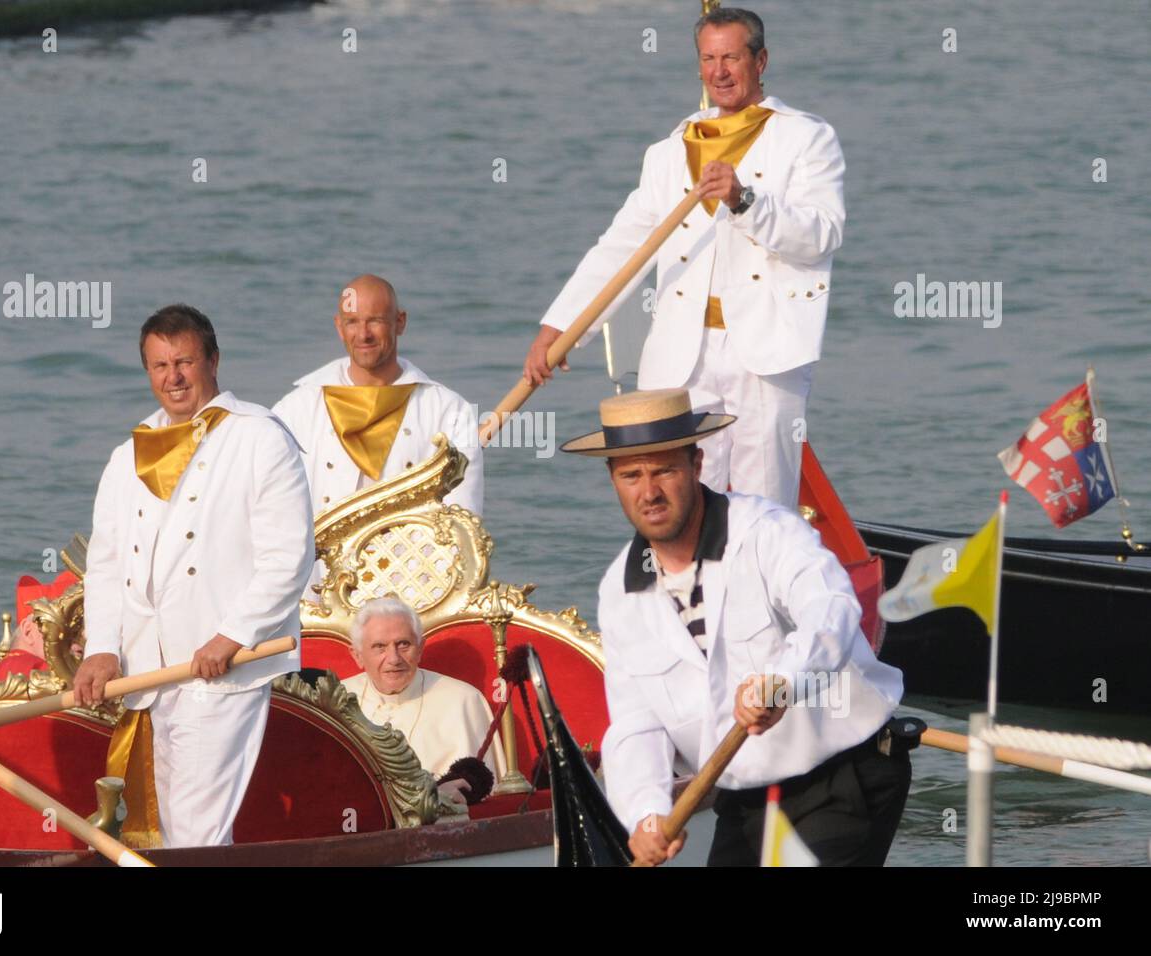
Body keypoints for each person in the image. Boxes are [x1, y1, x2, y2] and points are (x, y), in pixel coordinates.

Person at [562, 388, 908, 866]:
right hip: (743, 800)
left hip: (842, 776)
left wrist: (782, 683)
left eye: (664, 470)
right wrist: (645, 813)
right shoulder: (619, 593)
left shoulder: (767, 531)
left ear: (696, 464)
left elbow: (830, 606)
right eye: (631, 475)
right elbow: (636, 725)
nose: (649, 492)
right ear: (613, 480)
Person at [526, 8, 845, 509]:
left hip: (765, 355)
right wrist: (561, 327)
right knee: (680, 501)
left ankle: (763, 587)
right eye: (708, 59)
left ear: (760, 61)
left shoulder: (806, 138)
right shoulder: (670, 151)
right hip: (680, 355)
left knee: (765, 506)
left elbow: (821, 236)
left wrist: (745, 202)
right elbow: (622, 247)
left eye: (732, 58)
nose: (720, 71)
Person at [73, 304, 314, 848]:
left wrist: (232, 635)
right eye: (159, 366)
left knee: (196, 828)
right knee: (177, 828)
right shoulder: (125, 456)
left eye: (184, 361)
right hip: (146, 673)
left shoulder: (260, 437)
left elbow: (289, 556)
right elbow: (107, 564)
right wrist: (103, 648)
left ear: (214, 360)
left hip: (220, 669)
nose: (173, 377)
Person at [274, 275, 482, 547]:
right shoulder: (294, 411)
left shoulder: (448, 410)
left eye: (375, 320)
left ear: (400, 322)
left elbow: (460, 523)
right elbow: (272, 511)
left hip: (410, 583)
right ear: (339, 327)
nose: (363, 334)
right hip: (317, 583)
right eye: (352, 322)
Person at [340, 596, 505, 808]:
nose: (394, 658)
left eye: (403, 644)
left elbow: (482, 796)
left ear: (420, 648)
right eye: (379, 647)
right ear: (357, 656)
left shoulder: (463, 701)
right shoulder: (335, 699)